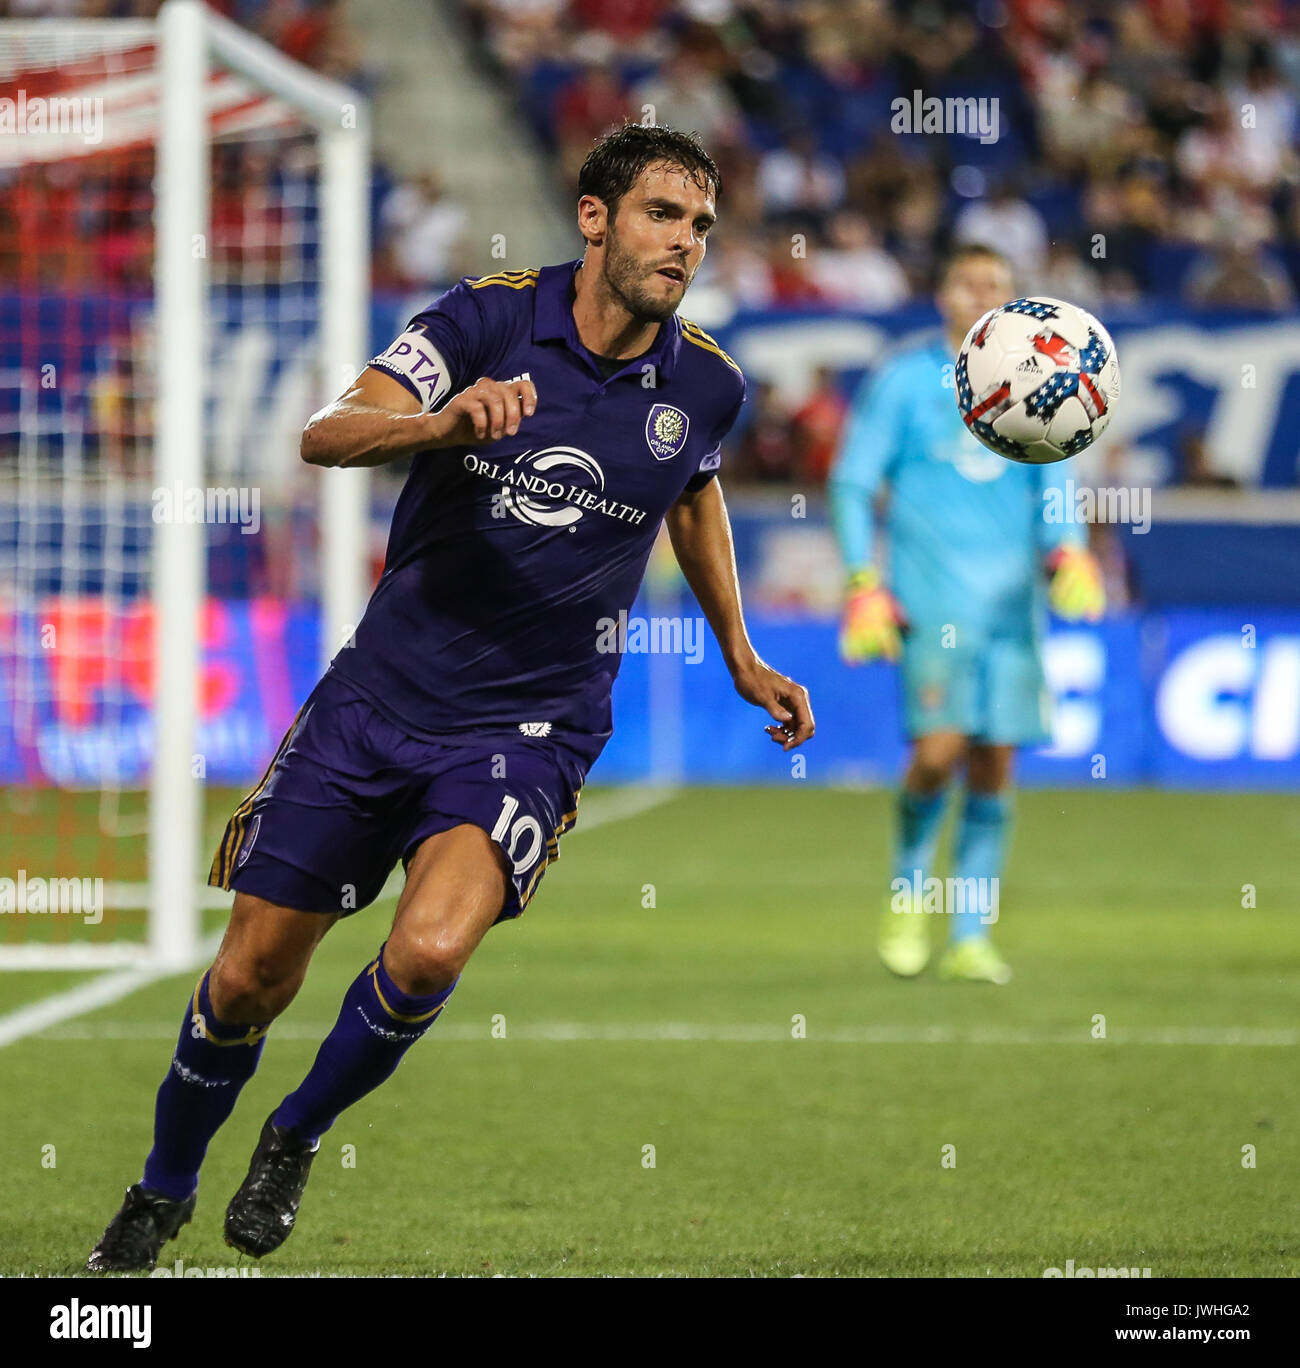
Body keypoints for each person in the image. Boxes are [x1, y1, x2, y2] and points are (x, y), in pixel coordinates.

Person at [87, 123, 814, 1271]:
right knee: (246, 980)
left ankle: (296, 1131)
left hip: (532, 725)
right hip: (378, 696)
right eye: (664, 216)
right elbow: (328, 433)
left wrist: (740, 651)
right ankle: (160, 1189)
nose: (686, 245)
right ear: (596, 217)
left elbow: (694, 495)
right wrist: (441, 420)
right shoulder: (482, 319)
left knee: (427, 953)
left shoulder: (707, 383)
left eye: (702, 228)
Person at [828, 244, 1104, 984]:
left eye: (997, 284)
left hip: (1012, 614)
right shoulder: (905, 381)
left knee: (993, 769)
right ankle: (909, 891)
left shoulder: (1044, 380)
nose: (981, 291)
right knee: (937, 755)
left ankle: (972, 934)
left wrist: (1070, 552)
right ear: (943, 294)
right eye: (968, 280)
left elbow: (1055, 483)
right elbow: (853, 482)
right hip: (932, 607)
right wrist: (863, 581)